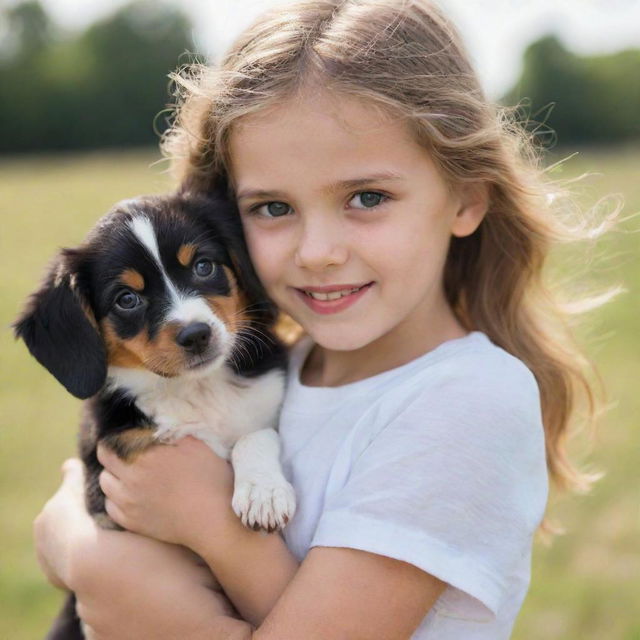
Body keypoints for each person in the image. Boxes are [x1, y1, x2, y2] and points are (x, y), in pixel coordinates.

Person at [33, 0, 614, 638]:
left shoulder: (466, 402)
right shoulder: (286, 367)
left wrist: (185, 556)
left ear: (467, 198)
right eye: (274, 207)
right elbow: (64, 517)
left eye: (368, 197)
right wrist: (71, 547)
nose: (318, 252)